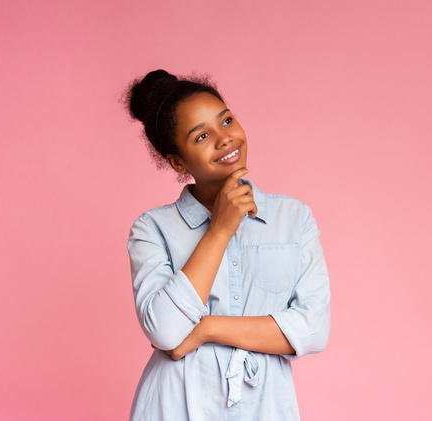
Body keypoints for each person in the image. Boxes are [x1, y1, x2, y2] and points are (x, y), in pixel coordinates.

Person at [123, 69, 331, 420]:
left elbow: (313, 329)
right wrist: (219, 229)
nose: (224, 139)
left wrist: (206, 329)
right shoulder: (152, 229)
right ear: (178, 162)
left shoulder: (294, 218)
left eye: (227, 120)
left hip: (266, 408)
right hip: (176, 404)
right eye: (201, 135)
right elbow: (165, 331)